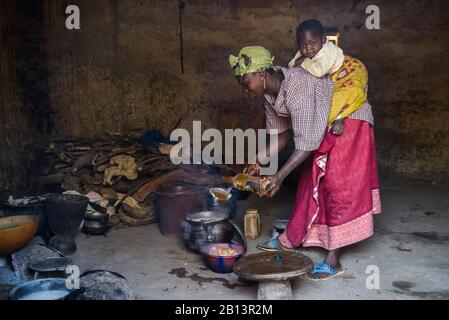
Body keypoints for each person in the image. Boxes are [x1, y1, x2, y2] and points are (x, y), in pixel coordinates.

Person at [230, 44, 381, 281]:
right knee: (311, 180)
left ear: (261, 74)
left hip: (348, 120)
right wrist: (258, 159)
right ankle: (298, 236)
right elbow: (282, 136)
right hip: (321, 126)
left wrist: (278, 177)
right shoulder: (270, 95)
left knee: (335, 184)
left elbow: (306, 144)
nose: (244, 89)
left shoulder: (297, 86)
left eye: (245, 81)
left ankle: (333, 259)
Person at [289, 19, 369, 137]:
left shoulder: (326, 52)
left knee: (349, 91)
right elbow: (292, 64)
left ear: (323, 40)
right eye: (303, 45)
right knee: (331, 92)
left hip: (351, 69)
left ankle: (339, 119)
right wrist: (295, 63)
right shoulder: (303, 53)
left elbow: (319, 71)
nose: (308, 48)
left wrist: (302, 63)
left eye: (312, 43)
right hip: (335, 73)